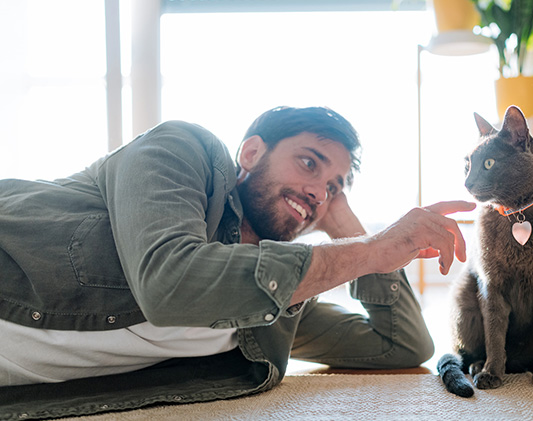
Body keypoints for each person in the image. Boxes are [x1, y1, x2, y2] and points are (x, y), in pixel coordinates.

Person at [0, 106, 475, 418]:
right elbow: (171, 282)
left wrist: (346, 224)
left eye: (333, 186)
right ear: (251, 152)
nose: (318, 192)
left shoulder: (273, 306)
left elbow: (402, 345)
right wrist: (372, 249)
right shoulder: (181, 149)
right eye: (309, 163)